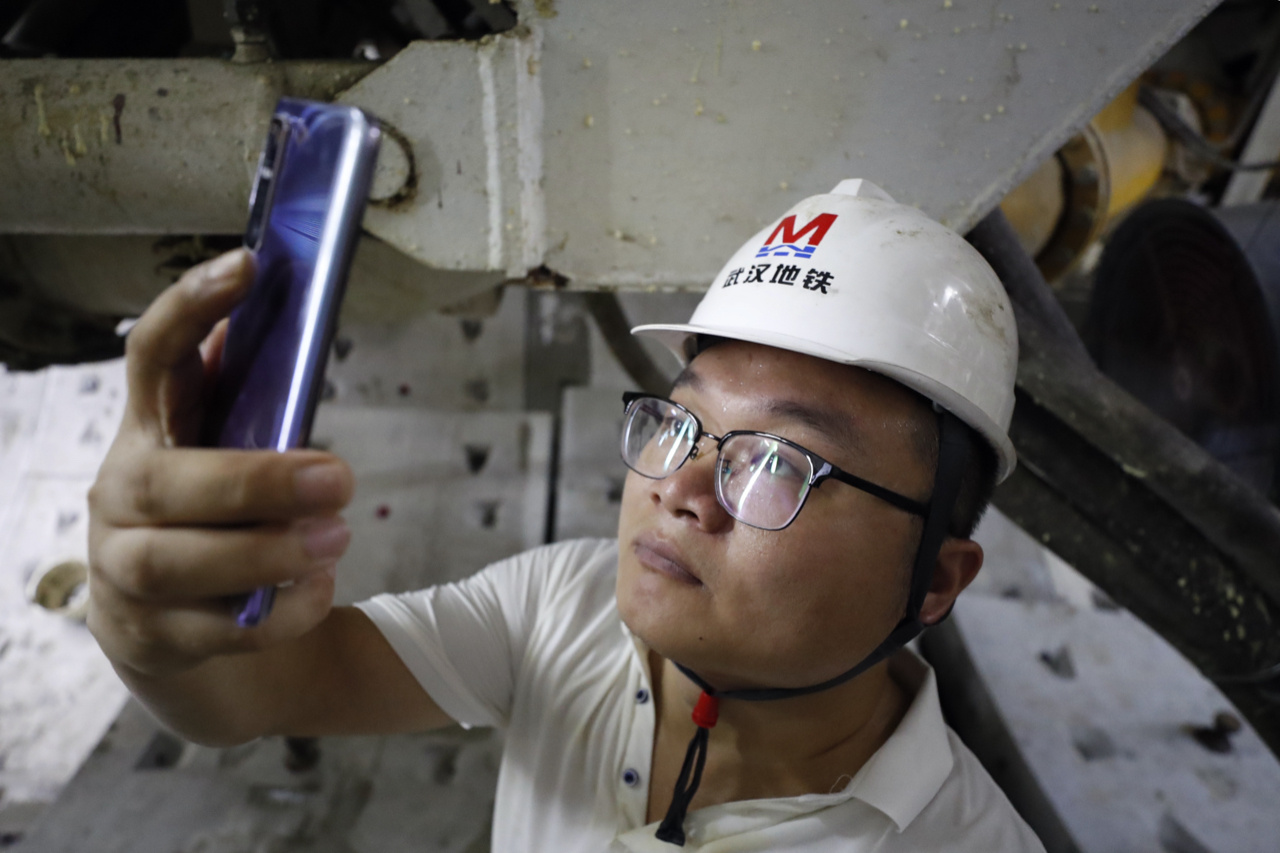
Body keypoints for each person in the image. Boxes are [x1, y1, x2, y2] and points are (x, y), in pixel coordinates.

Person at [87, 179, 1046, 851]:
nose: (679, 488)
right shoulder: (565, 606)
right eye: (680, 422)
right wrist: (148, 628)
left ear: (935, 579)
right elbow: (263, 691)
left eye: (775, 462)